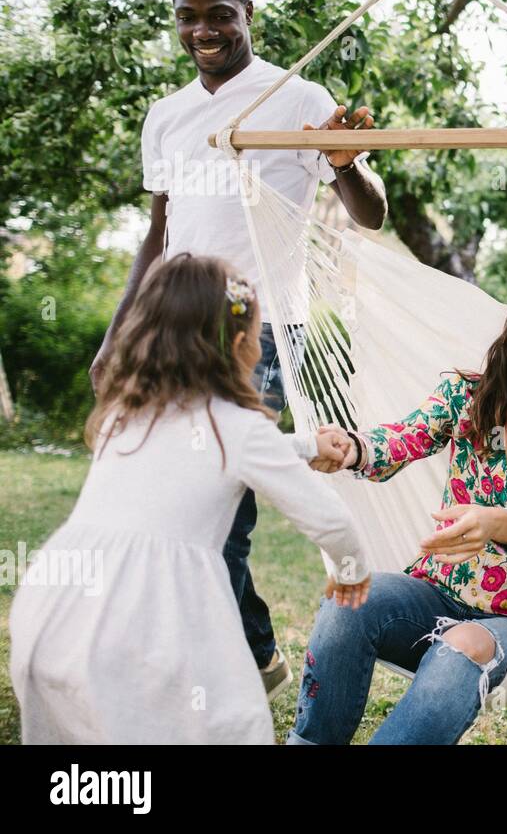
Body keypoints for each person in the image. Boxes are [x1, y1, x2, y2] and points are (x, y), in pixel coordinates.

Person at [89, 0, 388, 699]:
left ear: (248, 10)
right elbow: (158, 234)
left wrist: (344, 164)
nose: (204, 29)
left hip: (259, 337)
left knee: (221, 512)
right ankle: (248, 653)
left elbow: (371, 213)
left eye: (219, 13)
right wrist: (118, 331)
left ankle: (240, 663)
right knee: (171, 505)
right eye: (189, 16)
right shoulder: (166, 115)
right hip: (171, 333)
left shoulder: (297, 96)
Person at [9, 254, 371, 744]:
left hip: (56, 603)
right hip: (149, 612)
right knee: (229, 725)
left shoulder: (127, 413)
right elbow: (330, 521)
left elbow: (200, 460)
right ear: (241, 344)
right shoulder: (240, 427)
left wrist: (305, 446)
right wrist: (351, 570)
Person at [288, 260, 507, 744]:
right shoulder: (469, 396)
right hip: (431, 593)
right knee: (349, 597)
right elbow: (403, 437)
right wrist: (352, 447)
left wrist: (498, 522)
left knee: (461, 645)